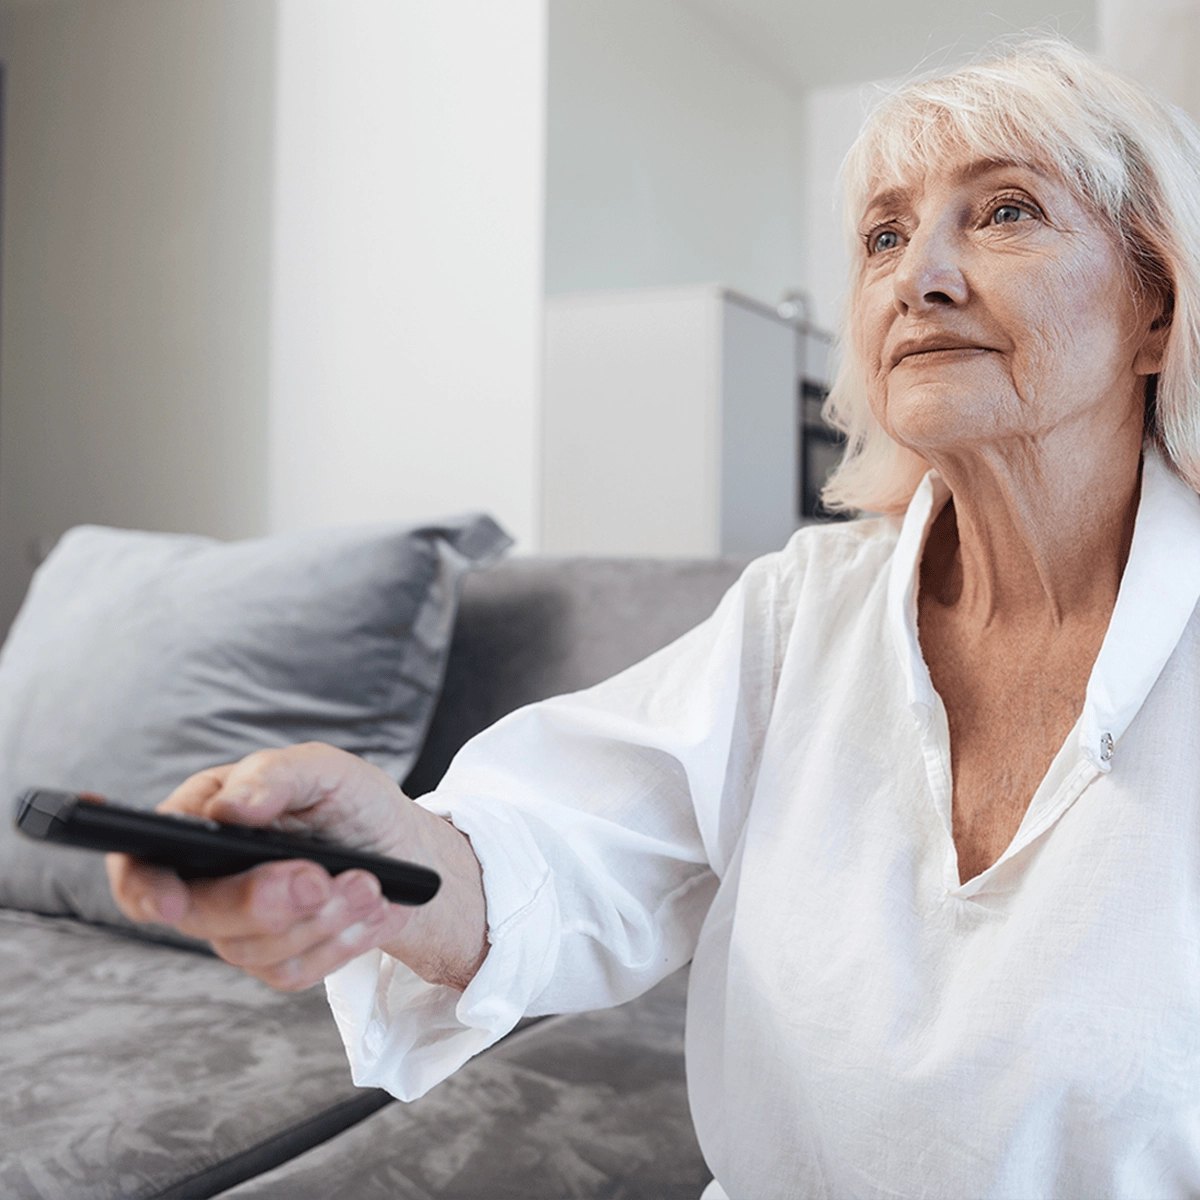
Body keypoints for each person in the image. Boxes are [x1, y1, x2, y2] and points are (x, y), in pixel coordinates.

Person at [108, 38, 1200, 1199]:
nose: (917, 275)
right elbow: (564, 856)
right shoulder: (803, 610)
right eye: (884, 234)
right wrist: (385, 853)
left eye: (1006, 212)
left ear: (1154, 310)